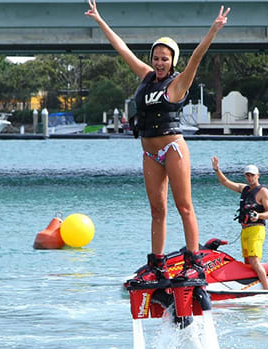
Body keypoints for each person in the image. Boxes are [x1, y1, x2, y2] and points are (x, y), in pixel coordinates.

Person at [86, 0, 230, 287]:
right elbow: (122, 50)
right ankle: (158, 263)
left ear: (172, 60)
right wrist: (100, 20)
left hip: (173, 148)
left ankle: (193, 262)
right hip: (149, 153)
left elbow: (197, 58)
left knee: (184, 206)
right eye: (156, 58)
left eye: (165, 58)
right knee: (157, 210)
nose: (159, 63)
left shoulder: (177, 83)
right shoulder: (146, 77)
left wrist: (213, 31)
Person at [211, 156, 268, 290]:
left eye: (252, 175)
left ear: (258, 176)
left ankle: (267, 289)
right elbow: (225, 182)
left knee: (254, 260)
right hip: (245, 230)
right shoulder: (244, 189)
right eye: (247, 175)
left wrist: (258, 215)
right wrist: (217, 169)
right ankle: (253, 287)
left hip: (256, 229)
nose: (250, 178)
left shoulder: (263, 191)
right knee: (246, 262)